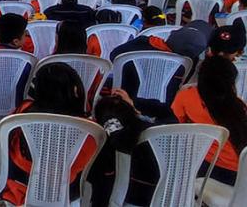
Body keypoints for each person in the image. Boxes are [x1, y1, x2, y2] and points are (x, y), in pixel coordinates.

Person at [0, 63, 94, 205]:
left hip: (21, 186)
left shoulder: (25, 110)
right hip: (66, 192)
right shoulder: (88, 129)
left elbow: (5, 140)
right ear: (75, 90)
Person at [88, 90, 176, 206]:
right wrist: (134, 104)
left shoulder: (104, 145)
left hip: (126, 199)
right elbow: (168, 113)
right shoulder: (158, 134)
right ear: (133, 113)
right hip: (167, 198)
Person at [172, 56, 247, 187]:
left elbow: (173, 127)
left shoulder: (187, 96)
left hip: (213, 172)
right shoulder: (240, 106)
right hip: (241, 174)